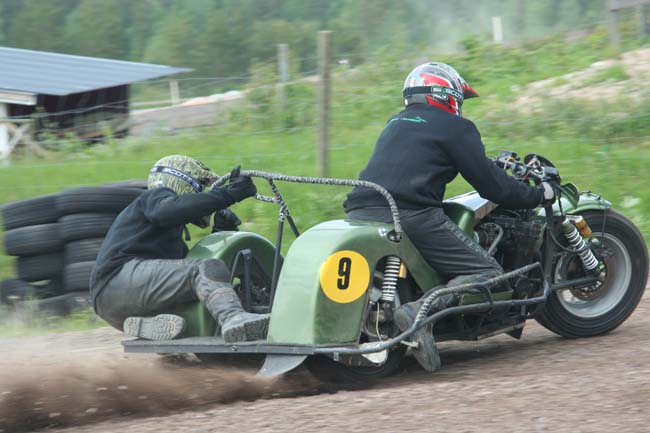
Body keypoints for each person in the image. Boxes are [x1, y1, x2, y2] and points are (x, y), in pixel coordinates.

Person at [343, 62, 555, 370]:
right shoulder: (456, 128)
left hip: (360, 210)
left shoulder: (396, 123)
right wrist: (538, 194)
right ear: (446, 94)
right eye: (459, 99)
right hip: (410, 213)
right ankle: (419, 312)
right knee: (490, 273)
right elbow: (493, 186)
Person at [90, 155, 269, 342]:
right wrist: (228, 195)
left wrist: (221, 229)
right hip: (119, 278)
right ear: (183, 180)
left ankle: (154, 327)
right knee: (203, 269)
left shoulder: (170, 237)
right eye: (200, 187)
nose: (201, 193)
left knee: (198, 283)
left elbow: (195, 278)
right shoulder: (153, 198)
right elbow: (168, 211)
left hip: (111, 305)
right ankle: (235, 319)